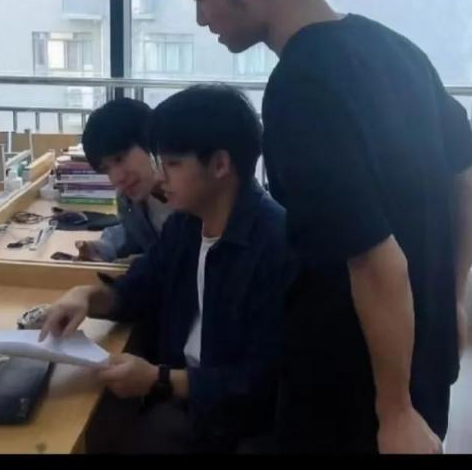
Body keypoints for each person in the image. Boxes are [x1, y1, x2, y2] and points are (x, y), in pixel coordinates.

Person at [152, 0, 472, 454]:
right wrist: (452, 299)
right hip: (422, 352)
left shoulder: (300, 89)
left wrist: (394, 409)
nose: (201, 17)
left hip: (357, 385)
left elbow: (374, 259)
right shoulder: (395, 48)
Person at [39, 84, 291, 453]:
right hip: (186, 399)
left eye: (172, 164)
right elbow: (138, 289)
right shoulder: (186, 226)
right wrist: (86, 296)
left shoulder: (277, 245)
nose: (161, 176)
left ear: (220, 165)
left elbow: (261, 385)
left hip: (237, 426)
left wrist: (159, 380)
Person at [77, 98, 172, 263]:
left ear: (151, 142)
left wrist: (149, 265)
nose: (116, 179)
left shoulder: (189, 196)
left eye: (119, 159)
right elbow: (132, 233)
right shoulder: (128, 199)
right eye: (106, 169)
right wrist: (103, 248)